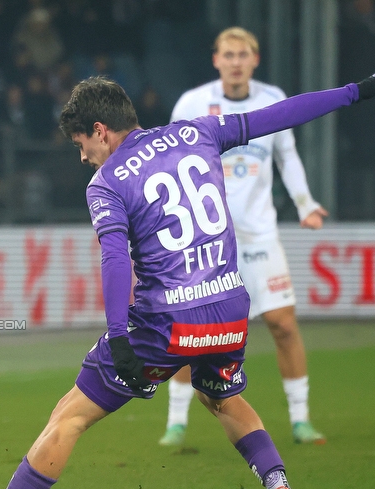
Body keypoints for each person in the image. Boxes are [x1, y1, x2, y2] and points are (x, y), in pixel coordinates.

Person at [0, 72, 375, 489]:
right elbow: (279, 116)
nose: (82, 157)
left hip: (163, 325)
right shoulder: (200, 132)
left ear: (101, 130)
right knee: (220, 396)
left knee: (68, 416)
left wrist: (119, 336)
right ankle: (279, 488)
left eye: (81, 144)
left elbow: (115, 260)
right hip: (228, 311)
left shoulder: (107, 183)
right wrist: (357, 91)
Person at [161, 27, 328, 447]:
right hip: (204, 240)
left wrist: (305, 204)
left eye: (243, 55)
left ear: (255, 60)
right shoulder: (192, 104)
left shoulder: (273, 100)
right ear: (216, 60)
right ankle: (176, 421)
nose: (236, 62)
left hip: (259, 235)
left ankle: (301, 419)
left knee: (282, 324)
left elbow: (287, 157)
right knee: (187, 330)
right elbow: (169, 163)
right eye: (228, 54)